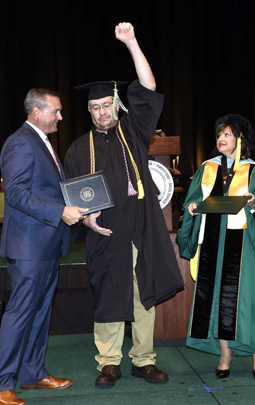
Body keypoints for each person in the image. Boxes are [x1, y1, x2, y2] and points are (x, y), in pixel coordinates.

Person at [64, 22, 184, 388]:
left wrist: (131, 43)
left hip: (142, 229)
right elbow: (72, 199)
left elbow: (148, 88)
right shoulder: (76, 149)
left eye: (106, 105)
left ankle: (144, 359)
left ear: (116, 103)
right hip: (105, 235)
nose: (102, 112)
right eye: (95, 107)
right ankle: (109, 362)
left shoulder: (132, 130)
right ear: (88, 110)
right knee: (109, 296)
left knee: (143, 293)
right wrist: (86, 222)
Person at [0, 88, 88, 405]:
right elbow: (17, 195)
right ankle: (2, 384)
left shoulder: (40, 142)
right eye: (56, 111)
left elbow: (49, 191)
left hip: (46, 245)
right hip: (28, 248)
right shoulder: (21, 143)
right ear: (37, 112)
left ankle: (33, 373)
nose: (61, 117)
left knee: (39, 314)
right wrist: (60, 212)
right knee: (20, 314)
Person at [177, 114, 255, 380]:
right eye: (219, 135)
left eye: (228, 134)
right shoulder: (207, 168)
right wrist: (192, 207)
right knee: (216, 297)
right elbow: (192, 201)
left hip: (244, 243)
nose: (221, 139)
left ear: (240, 140)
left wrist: (253, 203)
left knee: (248, 299)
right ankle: (225, 354)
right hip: (213, 244)